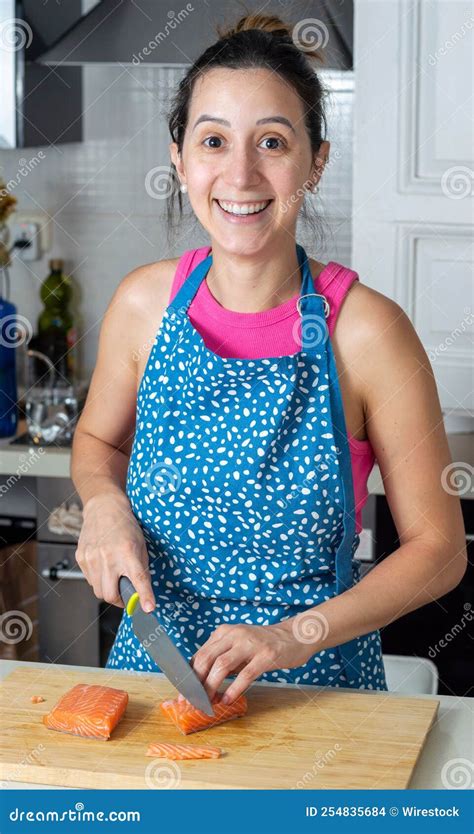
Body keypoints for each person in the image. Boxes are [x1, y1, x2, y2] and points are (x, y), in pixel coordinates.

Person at [71, 13, 466, 703]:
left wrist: (290, 636)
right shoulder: (144, 306)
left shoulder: (368, 333)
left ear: (317, 160)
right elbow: (97, 441)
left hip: (314, 694)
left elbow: (439, 551)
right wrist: (103, 503)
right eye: (214, 140)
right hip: (152, 685)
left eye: (273, 142)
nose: (241, 173)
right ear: (180, 160)